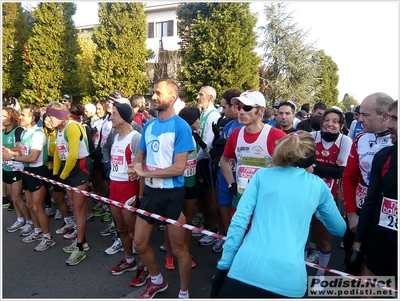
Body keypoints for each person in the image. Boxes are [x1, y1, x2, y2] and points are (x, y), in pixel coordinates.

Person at [211, 131, 346, 298]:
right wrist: (318, 209)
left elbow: (239, 222)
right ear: (311, 156)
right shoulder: (317, 186)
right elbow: (339, 229)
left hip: (245, 269)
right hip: (289, 280)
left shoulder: (261, 175)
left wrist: (224, 265)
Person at [127, 78, 194, 299]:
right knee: (139, 243)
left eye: (158, 93)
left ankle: (184, 292)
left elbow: (178, 168)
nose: (153, 97)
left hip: (172, 195)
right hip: (151, 193)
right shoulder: (149, 125)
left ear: (172, 98)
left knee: (178, 250)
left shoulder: (182, 127)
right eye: (153, 93)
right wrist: (135, 168)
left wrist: (145, 173)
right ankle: (157, 281)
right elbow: (140, 157)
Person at [342, 92, 394, 275]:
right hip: (359, 211)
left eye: (365, 115)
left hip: (383, 219)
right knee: (352, 268)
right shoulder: (360, 139)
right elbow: (348, 177)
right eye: (359, 114)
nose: (359, 119)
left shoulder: (395, 140)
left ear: (384, 116)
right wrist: (351, 213)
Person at [220, 90, 286, 217]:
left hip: (266, 205)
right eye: (239, 107)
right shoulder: (236, 134)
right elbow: (224, 161)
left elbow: (295, 168)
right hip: (241, 201)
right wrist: (231, 184)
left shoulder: (277, 135)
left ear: (261, 111)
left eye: (247, 108)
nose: (241, 111)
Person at [304, 108, 352, 281]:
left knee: (324, 236)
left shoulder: (345, 141)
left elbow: (340, 173)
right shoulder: (311, 136)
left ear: (341, 125)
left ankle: (320, 276)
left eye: (334, 121)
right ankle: (300, 268)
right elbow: (302, 162)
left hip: (327, 195)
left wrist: (313, 166)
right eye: (327, 120)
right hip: (305, 190)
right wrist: (326, 168)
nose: (329, 124)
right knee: (301, 230)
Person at [47, 101, 93, 265]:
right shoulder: (59, 129)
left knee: (79, 208)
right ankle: (82, 240)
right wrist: (55, 175)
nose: (48, 119)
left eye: (51, 116)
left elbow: (73, 154)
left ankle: (80, 247)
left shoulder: (71, 127)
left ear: (59, 116)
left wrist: (63, 176)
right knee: (73, 206)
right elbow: (60, 154)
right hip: (69, 169)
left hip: (79, 167)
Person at [3, 105, 54, 251]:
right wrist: (9, 151)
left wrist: (12, 156)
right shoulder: (25, 133)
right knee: (30, 205)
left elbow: (33, 157)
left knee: (38, 207)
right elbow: (22, 151)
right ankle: (37, 231)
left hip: (38, 171)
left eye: (23, 115)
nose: (20, 117)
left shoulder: (38, 134)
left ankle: (47, 237)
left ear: (32, 118)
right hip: (27, 171)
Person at [105, 102, 142, 281]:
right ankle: (129, 260)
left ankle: (144, 266)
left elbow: (143, 167)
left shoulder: (135, 137)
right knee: (121, 228)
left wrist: (141, 195)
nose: (110, 117)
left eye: (114, 114)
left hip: (129, 189)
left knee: (134, 232)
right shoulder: (114, 135)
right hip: (115, 187)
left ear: (124, 117)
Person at [212, 88, 242, 253]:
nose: (222, 111)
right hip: (224, 180)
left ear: (235, 106)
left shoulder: (259, 129)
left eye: (224, 107)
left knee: (242, 224)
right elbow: (220, 155)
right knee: (226, 222)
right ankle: (228, 255)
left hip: (244, 184)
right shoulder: (229, 125)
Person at [195, 86, 221, 246]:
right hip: (200, 159)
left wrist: (196, 158)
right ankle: (206, 225)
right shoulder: (204, 113)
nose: (198, 97)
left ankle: (213, 230)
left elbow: (209, 142)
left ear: (210, 97)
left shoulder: (213, 115)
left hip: (206, 160)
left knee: (209, 196)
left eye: (201, 94)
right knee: (202, 195)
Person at [2, 107, 34, 235]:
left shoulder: (18, 130)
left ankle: (29, 221)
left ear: (12, 117)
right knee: (12, 197)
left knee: (17, 197)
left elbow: (20, 149)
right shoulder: (3, 132)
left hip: (17, 167)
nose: (2, 119)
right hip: (6, 167)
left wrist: (5, 148)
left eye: (4, 116)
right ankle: (20, 219)